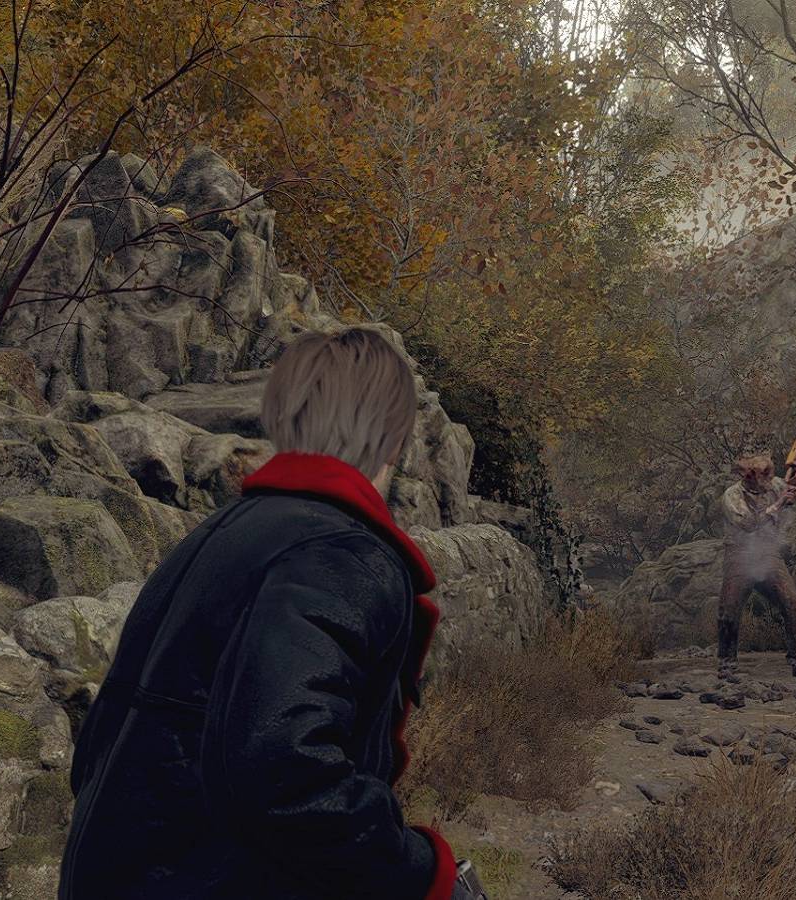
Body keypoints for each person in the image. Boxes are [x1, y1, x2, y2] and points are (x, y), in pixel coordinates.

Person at [59, 326, 484, 899]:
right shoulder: (341, 552)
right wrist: (420, 875)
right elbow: (287, 772)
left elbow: (104, 739)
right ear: (395, 438)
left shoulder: (219, 534)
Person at [716, 452, 796, 679]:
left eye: (771, 472)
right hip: (739, 555)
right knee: (729, 610)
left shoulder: (775, 484)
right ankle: (726, 663)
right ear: (749, 477)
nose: (771, 479)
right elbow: (749, 524)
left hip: (768, 554)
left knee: (792, 602)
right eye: (765, 475)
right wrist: (779, 504)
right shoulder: (732, 496)